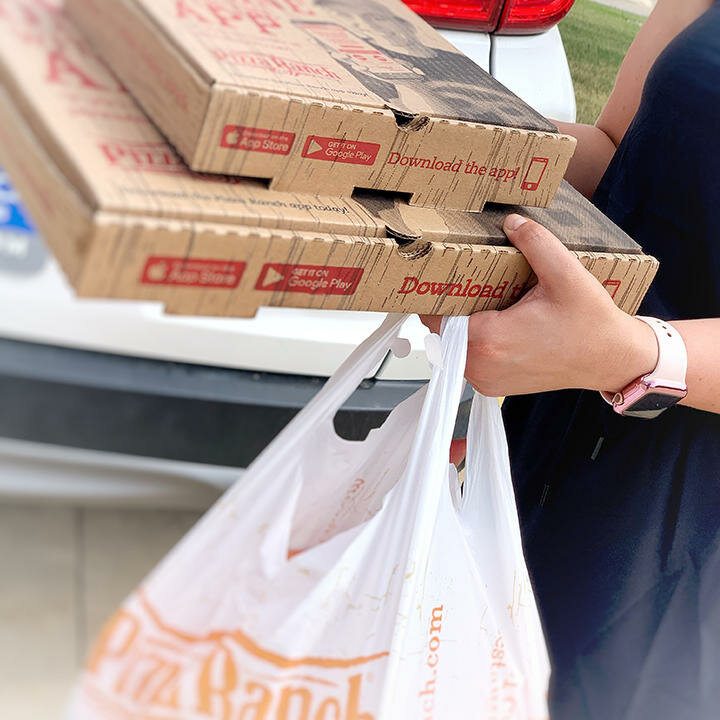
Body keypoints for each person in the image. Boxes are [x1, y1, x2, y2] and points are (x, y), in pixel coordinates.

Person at [424, 1, 720, 717]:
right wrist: (433, 139)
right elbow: (621, 149)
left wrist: (632, 353)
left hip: (688, 513)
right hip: (563, 411)